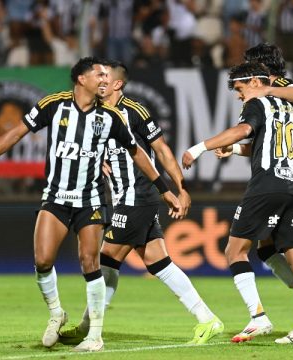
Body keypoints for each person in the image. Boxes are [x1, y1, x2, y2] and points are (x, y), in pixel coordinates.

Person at [0, 57, 181, 352]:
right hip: (55, 197)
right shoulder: (54, 105)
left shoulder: (111, 117)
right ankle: (56, 314)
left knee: (90, 262)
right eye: (99, 74)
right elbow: (16, 133)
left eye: (107, 75)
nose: (105, 79)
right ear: (81, 78)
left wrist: (164, 188)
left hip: (90, 200)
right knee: (42, 261)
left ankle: (95, 336)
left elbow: (138, 152)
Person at [59, 60, 224, 345]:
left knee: (106, 259)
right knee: (157, 261)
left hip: (137, 196)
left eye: (105, 77)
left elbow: (160, 149)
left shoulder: (133, 112)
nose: (100, 81)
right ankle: (207, 318)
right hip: (127, 197)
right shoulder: (97, 113)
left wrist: (179, 188)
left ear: (117, 84)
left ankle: (90, 327)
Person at [182, 62, 293, 346]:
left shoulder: (258, 103)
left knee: (235, 251)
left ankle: (258, 316)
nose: (239, 95)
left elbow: (242, 130)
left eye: (239, 89)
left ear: (253, 82)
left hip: (266, 186)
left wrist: (199, 148)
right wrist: (236, 148)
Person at [219, 42, 293, 344]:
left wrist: (286, 111)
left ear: (262, 69)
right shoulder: (274, 96)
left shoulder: (283, 88)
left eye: (250, 67)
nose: (244, 80)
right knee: (269, 250)